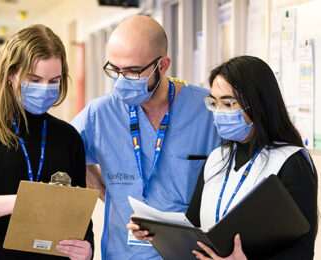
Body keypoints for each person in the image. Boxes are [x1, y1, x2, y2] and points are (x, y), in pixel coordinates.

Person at [128, 55, 318, 260]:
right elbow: (194, 227)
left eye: (228, 104)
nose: (218, 113)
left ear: (258, 104)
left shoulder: (290, 162)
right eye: (214, 103)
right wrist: (155, 230)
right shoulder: (217, 158)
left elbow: (302, 250)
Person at [71, 15, 220, 259]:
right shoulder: (100, 113)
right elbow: (68, 154)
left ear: (162, 66)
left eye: (132, 71)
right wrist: (109, 197)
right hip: (123, 252)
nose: (121, 80)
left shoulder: (207, 109)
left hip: (190, 253)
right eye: (115, 70)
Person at [0, 24, 93, 260]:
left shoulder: (67, 137)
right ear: (11, 74)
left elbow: (79, 215)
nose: (45, 88)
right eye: (34, 79)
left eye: (54, 80)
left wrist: (86, 249)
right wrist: (26, 201)